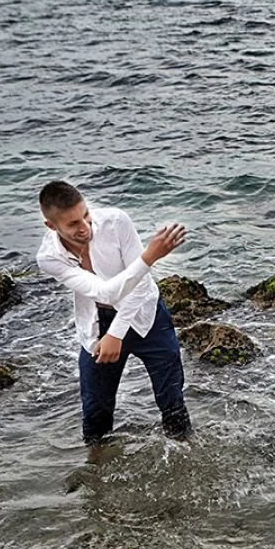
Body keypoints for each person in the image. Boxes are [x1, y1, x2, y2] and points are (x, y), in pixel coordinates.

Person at [37, 180, 192, 461]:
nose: (85, 227)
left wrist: (118, 333)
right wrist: (150, 256)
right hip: (99, 324)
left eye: (86, 215)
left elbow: (141, 287)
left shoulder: (116, 222)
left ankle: (185, 459)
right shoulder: (49, 258)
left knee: (171, 399)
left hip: (147, 317)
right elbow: (105, 291)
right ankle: (95, 469)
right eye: (73, 224)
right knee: (95, 409)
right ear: (52, 227)